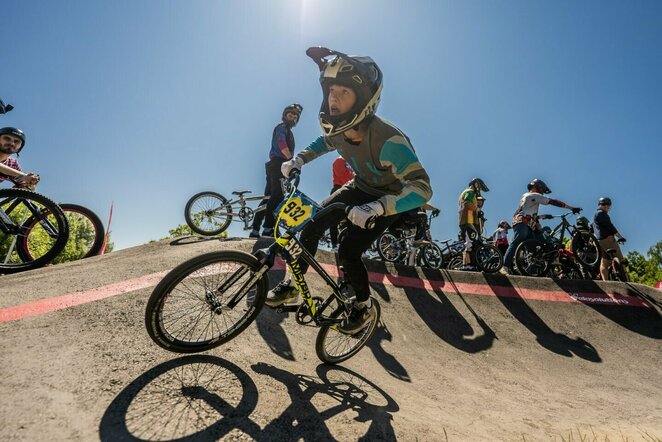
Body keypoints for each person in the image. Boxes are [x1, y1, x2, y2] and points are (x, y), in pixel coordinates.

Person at [266, 47, 433, 334]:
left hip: (385, 200)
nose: (333, 99)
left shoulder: (389, 141)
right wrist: (300, 159)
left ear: (364, 99)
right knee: (311, 226)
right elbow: (324, 141)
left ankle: (363, 307)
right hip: (358, 187)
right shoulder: (340, 128)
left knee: (348, 252)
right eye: (331, 91)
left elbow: (422, 189)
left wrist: (379, 208)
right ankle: (291, 287)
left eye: (344, 92)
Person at [501, 179, 581, 274]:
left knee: (534, 252)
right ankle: (504, 266)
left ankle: (529, 272)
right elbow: (552, 201)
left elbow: (529, 213)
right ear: (538, 187)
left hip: (527, 225)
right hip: (523, 223)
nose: (542, 192)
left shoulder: (526, 197)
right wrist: (571, 208)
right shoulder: (534, 195)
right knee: (517, 241)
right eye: (542, 189)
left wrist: (544, 216)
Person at [249, 103, 303, 238]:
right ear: (284, 115)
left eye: (295, 117)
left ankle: (255, 230)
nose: (292, 118)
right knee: (277, 196)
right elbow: (281, 142)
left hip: (274, 165)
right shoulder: (282, 127)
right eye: (290, 115)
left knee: (267, 197)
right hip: (279, 164)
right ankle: (268, 228)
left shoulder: (286, 129)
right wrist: (291, 161)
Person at [592, 197, 626, 280]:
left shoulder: (595, 216)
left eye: (608, 204)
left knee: (605, 263)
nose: (606, 206)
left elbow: (591, 228)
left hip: (600, 242)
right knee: (621, 260)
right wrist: (620, 237)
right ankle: (626, 279)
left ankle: (606, 282)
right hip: (608, 239)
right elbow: (610, 227)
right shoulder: (601, 213)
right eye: (603, 204)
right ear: (599, 205)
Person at [458, 178, 489, 270]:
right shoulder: (470, 192)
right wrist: (477, 209)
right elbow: (467, 203)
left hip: (466, 220)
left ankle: (469, 265)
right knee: (469, 243)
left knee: (471, 243)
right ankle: (467, 265)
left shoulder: (465, 192)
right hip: (468, 221)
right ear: (476, 184)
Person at [328, 155, 354, 249]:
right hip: (339, 190)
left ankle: (352, 248)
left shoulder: (351, 163)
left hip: (349, 191)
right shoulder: (339, 160)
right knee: (333, 220)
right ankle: (334, 245)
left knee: (351, 220)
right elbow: (342, 177)